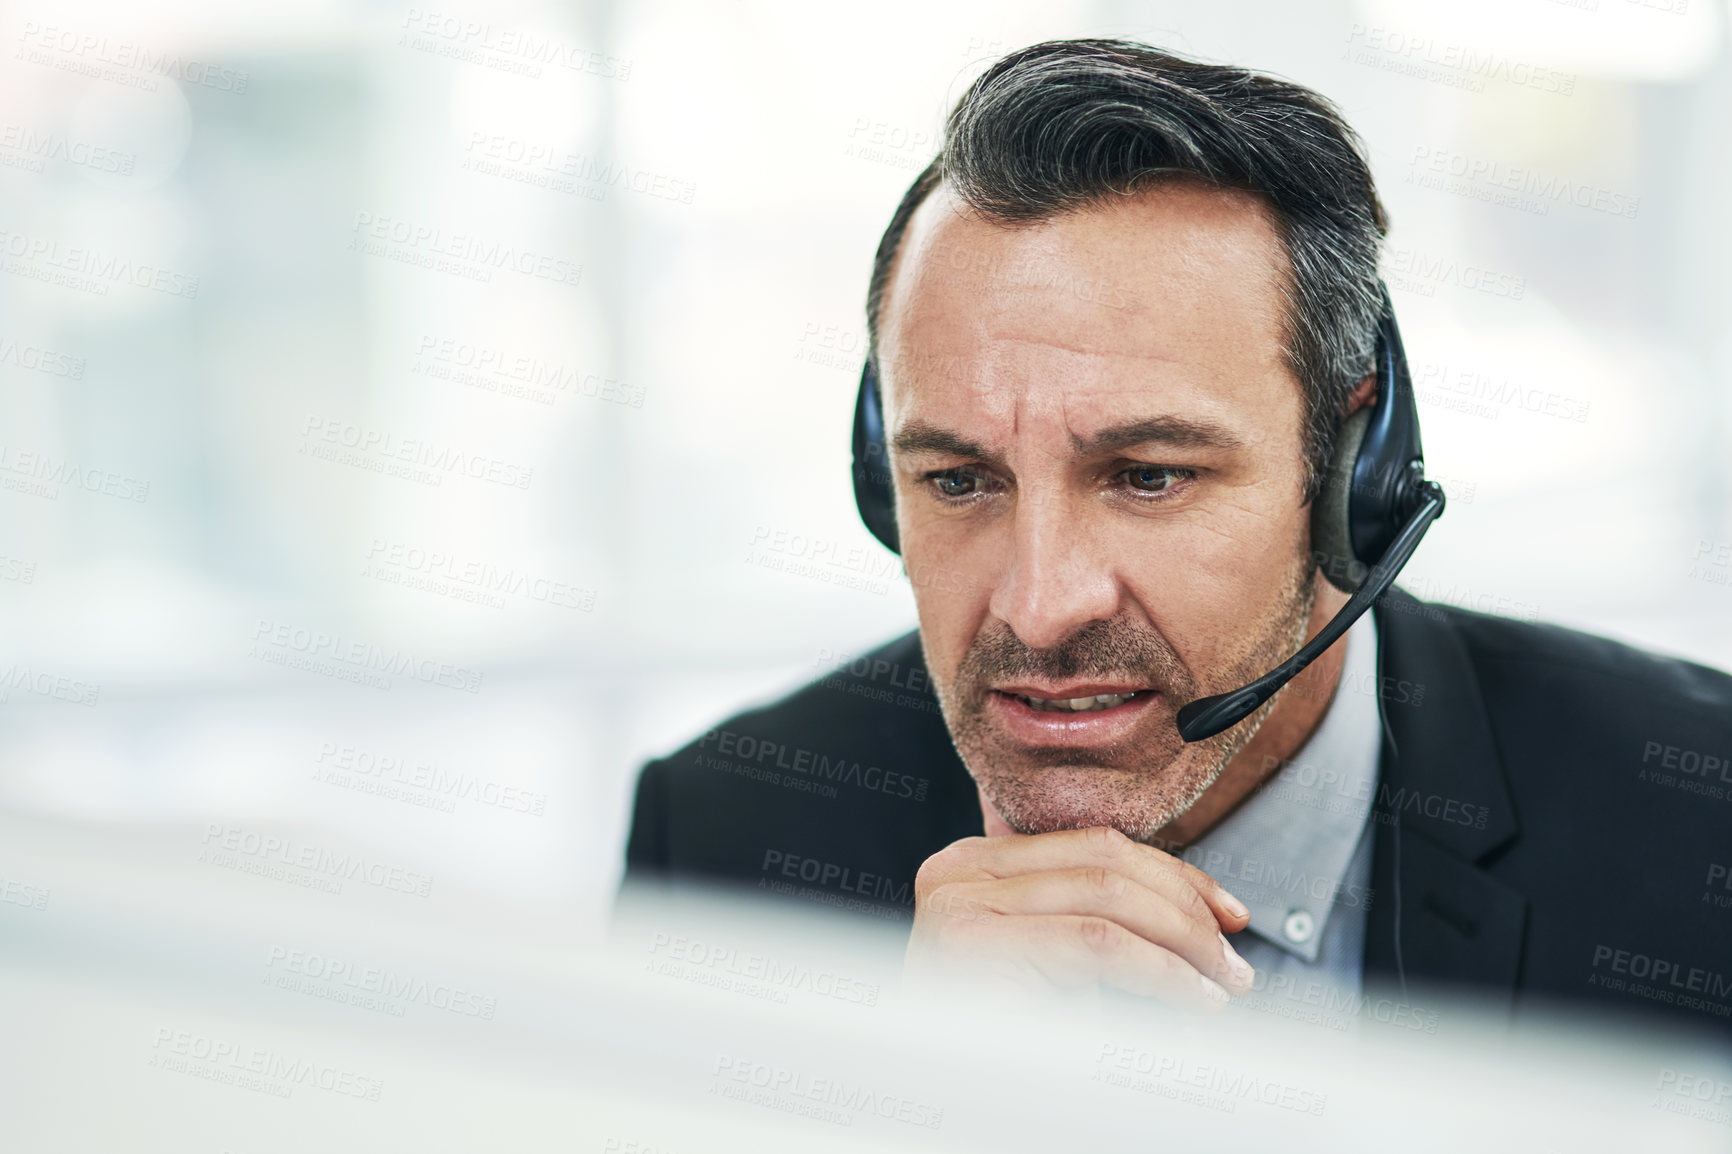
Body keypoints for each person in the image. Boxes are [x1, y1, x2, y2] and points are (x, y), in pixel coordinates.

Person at [623, 39, 1732, 1034]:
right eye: (959, 479)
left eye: (1149, 475)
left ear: (1354, 475)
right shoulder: (726, 839)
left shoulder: (1698, 823)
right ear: (882, 481)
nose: (1041, 605)